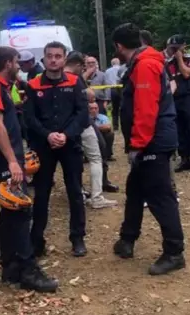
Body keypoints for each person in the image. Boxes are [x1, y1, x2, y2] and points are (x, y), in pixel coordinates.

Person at [0, 46, 58, 292]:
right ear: (7, 63)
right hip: (4, 161)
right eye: (15, 62)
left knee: (9, 212)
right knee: (21, 210)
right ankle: (28, 270)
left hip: (6, 159)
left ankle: (10, 265)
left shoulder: (0, 87)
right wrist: (13, 161)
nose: (18, 66)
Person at [112, 23, 186, 275]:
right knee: (135, 189)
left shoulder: (144, 65)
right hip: (151, 139)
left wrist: (137, 145)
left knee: (160, 196)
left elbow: (146, 109)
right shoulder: (145, 61)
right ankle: (127, 240)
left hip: (153, 140)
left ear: (119, 47)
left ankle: (174, 252)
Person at [24, 42, 89, 257]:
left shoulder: (75, 82)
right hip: (43, 146)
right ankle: (37, 240)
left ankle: (77, 238)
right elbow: (29, 118)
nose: (53, 60)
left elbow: (82, 114)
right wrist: (48, 135)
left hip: (70, 145)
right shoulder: (33, 85)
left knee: (75, 191)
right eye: (50, 56)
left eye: (58, 56)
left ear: (64, 59)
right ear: (44, 58)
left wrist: (66, 135)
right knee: (42, 193)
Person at [65, 51, 118, 208]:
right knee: (96, 158)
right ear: (78, 65)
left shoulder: (55, 77)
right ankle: (96, 197)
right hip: (82, 124)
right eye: (82, 67)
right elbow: (90, 95)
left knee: (72, 161)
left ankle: (78, 194)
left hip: (64, 127)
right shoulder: (75, 78)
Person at [164, 35, 190, 173]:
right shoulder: (167, 63)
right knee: (179, 129)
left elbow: (187, 74)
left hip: (189, 97)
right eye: (172, 48)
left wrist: (179, 58)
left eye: (177, 48)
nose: (174, 51)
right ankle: (184, 158)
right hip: (174, 99)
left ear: (183, 47)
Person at [105, 57, 123, 132]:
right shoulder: (122, 68)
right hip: (122, 89)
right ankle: (124, 125)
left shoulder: (107, 71)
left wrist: (108, 96)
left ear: (112, 64)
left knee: (114, 109)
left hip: (112, 90)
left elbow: (107, 82)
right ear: (118, 62)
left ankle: (115, 127)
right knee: (123, 108)